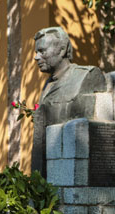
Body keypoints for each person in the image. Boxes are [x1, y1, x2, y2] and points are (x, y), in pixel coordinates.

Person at [31, 26, 106, 175]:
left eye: (42, 51)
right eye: (36, 52)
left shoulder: (86, 76)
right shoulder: (48, 84)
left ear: (62, 50)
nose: (36, 57)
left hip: (69, 171)